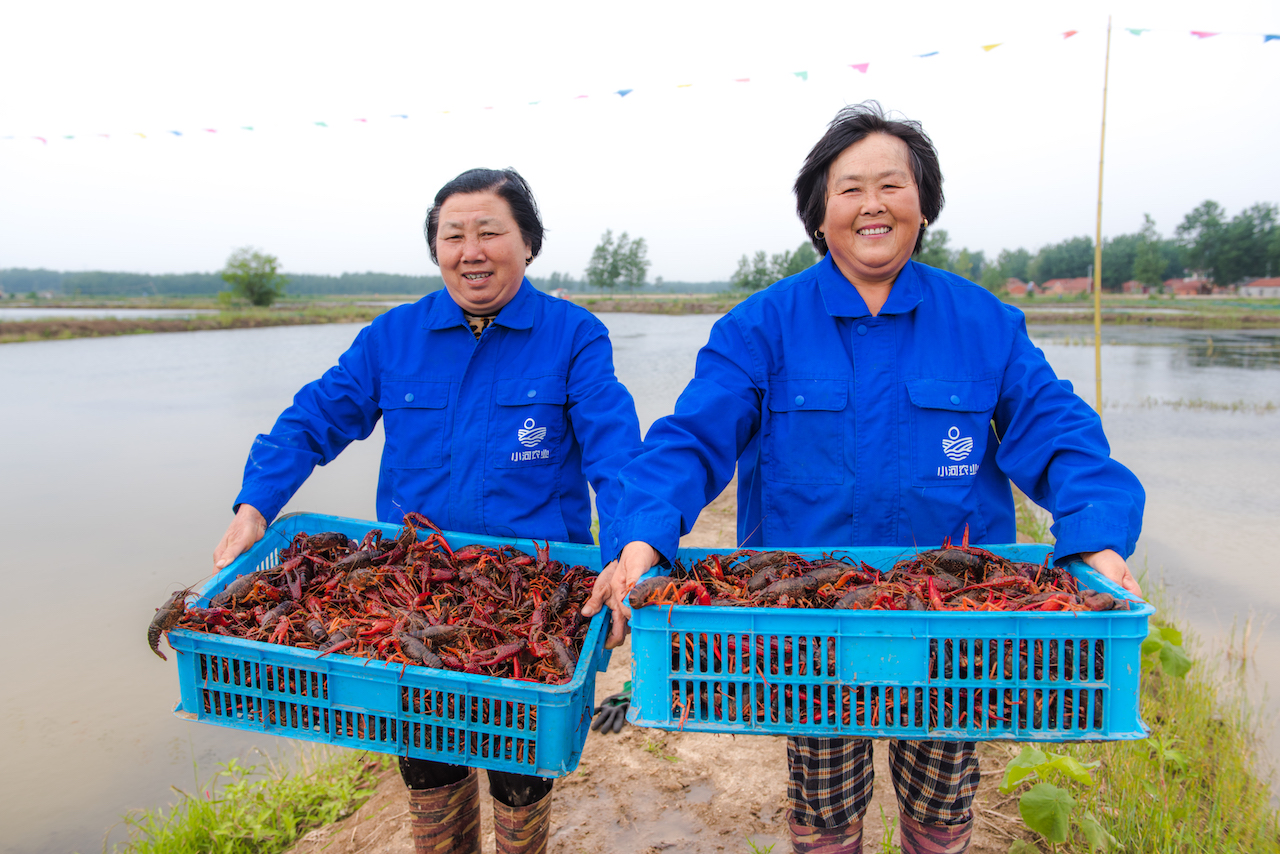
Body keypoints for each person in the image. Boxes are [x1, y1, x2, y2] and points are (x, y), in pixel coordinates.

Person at [583, 102, 1144, 854]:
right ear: (819, 214)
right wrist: (641, 539)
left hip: (955, 624)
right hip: (813, 620)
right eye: (849, 188)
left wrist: (1098, 538)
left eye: (892, 185)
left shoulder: (985, 324)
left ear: (923, 206)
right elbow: (691, 440)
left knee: (942, 807)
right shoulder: (760, 326)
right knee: (824, 807)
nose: (872, 204)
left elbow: (1061, 434)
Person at [212, 167, 642, 854]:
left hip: (534, 591)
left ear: (527, 243)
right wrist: (257, 504)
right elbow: (311, 420)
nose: (471, 250)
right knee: (431, 769)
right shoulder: (394, 338)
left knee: (521, 777)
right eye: (453, 236)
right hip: (418, 591)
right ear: (437, 249)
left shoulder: (573, 337)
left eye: (490, 232)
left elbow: (615, 452)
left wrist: (626, 550)